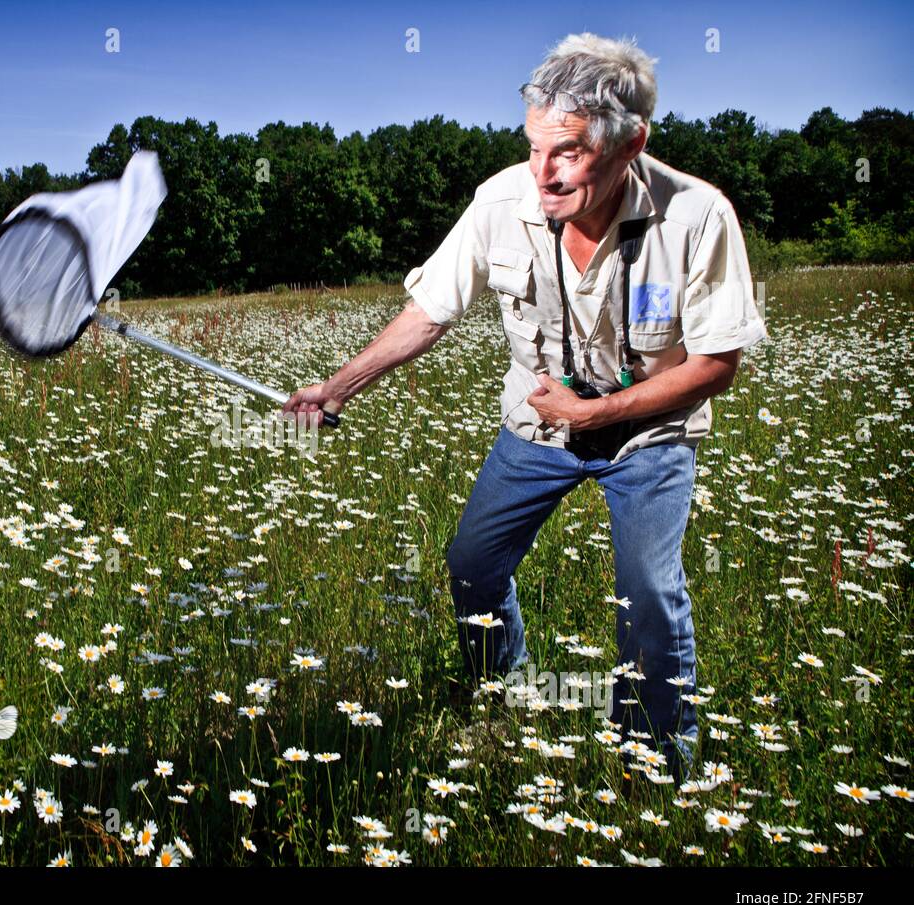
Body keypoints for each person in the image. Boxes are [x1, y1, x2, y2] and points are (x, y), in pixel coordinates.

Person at [281, 33, 767, 784]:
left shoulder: (697, 217)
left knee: (648, 587)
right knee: (472, 563)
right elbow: (431, 310)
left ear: (631, 141)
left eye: (568, 152)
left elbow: (716, 364)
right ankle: (502, 688)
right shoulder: (501, 201)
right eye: (534, 146)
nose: (543, 173)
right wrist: (339, 385)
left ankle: (656, 754)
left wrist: (601, 415)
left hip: (650, 431)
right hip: (539, 422)